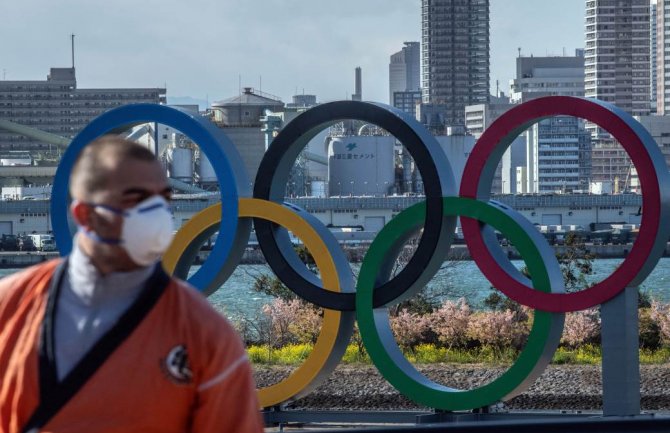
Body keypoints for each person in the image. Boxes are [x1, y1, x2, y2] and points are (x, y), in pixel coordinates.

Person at [0, 136, 263, 433]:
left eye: (163, 199)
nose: (155, 214)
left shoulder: (204, 332)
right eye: (135, 199)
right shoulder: (11, 306)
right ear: (85, 215)